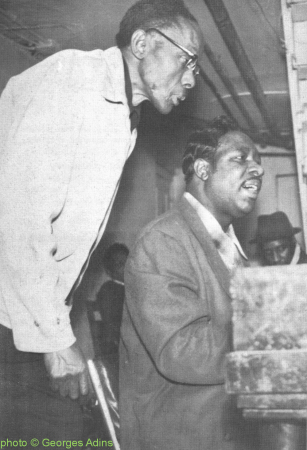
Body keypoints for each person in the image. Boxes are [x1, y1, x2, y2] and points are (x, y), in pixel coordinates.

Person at [0, 0, 203, 444]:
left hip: (25, 314)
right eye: (186, 60)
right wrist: (54, 340)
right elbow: (19, 215)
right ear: (142, 42)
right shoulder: (71, 81)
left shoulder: (120, 117)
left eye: (197, 68)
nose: (191, 79)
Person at [119, 116, 264, 450]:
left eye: (259, 162)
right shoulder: (163, 241)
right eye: (241, 159)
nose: (256, 170)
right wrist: (270, 338)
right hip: (186, 436)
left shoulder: (225, 244)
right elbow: (180, 351)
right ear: (202, 170)